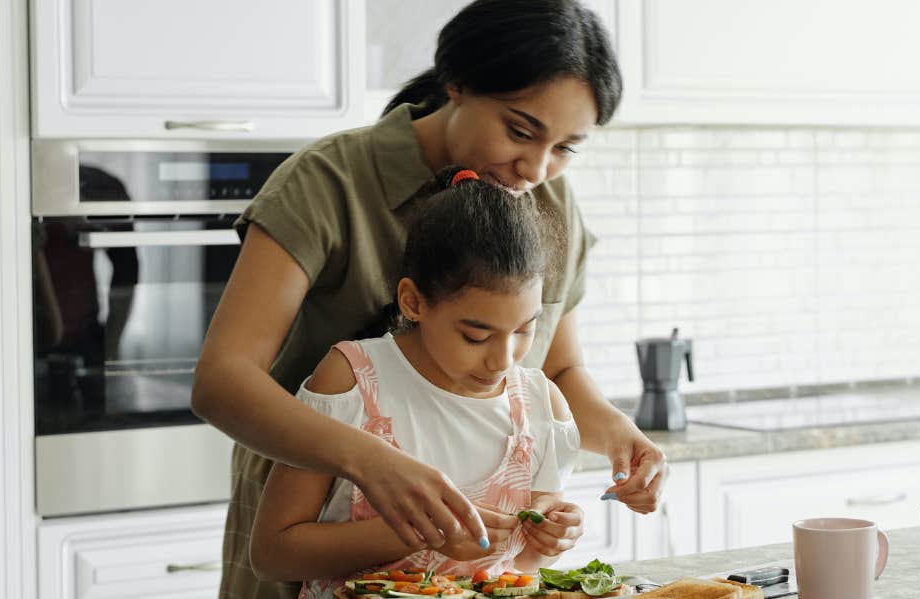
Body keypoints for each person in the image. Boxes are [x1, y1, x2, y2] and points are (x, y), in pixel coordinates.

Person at [191, 2, 668, 598]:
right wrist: (372, 462)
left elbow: (557, 369)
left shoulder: (550, 203)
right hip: (314, 537)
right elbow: (222, 381)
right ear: (457, 85)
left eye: (566, 147)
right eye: (520, 130)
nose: (536, 167)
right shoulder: (328, 182)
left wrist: (622, 436)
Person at [250, 167, 582, 597]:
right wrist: (420, 532)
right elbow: (272, 553)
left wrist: (549, 539)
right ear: (413, 301)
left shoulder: (540, 407)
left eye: (524, 330)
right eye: (476, 336)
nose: (504, 359)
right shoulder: (352, 382)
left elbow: (522, 567)